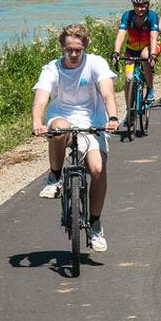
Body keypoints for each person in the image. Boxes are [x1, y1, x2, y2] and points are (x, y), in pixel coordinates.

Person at [31, 23, 119, 252]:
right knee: (59, 129)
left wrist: (113, 117)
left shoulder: (96, 63)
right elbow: (41, 98)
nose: (73, 54)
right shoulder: (52, 69)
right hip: (63, 118)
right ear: (62, 47)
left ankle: (96, 224)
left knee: (98, 170)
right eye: (69, 49)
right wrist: (37, 123)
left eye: (78, 50)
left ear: (85, 47)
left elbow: (107, 92)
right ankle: (55, 177)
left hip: (93, 123)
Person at [112, 0, 160, 106]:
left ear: (147, 5)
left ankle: (150, 88)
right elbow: (121, 35)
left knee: (145, 56)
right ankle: (129, 111)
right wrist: (116, 52)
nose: (140, 9)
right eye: (137, 6)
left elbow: (153, 37)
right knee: (128, 80)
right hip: (131, 51)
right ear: (133, 5)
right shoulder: (127, 16)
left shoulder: (152, 16)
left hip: (150, 47)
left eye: (143, 5)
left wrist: (153, 54)